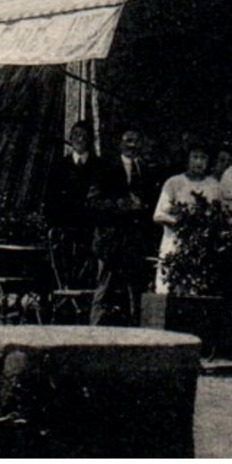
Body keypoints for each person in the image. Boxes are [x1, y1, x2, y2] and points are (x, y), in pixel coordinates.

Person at [85, 129, 159, 325]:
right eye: (128, 140)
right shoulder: (106, 168)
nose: (132, 145)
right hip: (110, 239)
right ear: (120, 143)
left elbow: (151, 204)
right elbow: (93, 201)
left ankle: (135, 335)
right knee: (104, 289)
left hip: (134, 240)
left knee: (135, 291)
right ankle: (93, 335)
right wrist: (120, 204)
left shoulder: (146, 170)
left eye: (136, 141)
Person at [152, 145, 223, 295]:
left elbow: (220, 216)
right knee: (171, 290)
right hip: (175, 244)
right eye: (195, 157)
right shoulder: (174, 183)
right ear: (188, 160)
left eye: (203, 158)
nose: (199, 162)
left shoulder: (214, 186)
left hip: (202, 249)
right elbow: (158, 215)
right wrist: (182, 223)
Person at [44, 120, 97, 231]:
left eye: (84, 135)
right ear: (70, 138)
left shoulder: (101, 166)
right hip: (65, 227)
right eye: (76, 134)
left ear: (91, 139)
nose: (80, 139)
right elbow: (50, 198)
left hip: (91, 228)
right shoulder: (59, 166)